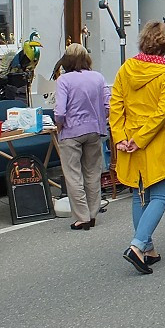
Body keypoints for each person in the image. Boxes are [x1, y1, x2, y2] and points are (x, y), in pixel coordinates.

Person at [109, 21, 165, 275]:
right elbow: (162, 113)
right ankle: (138, 246)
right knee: (160, 196)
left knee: (141, 196)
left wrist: (120, 137)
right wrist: (141, 139)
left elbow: (116, 104)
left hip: (128, 141)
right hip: (156, 142)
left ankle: (148, 248)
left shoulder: (127, 68)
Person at [54, 43, 107, 231]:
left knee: (73, 175)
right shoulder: (98, 77)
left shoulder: (64, 80)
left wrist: (59, 126)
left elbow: (60, 111)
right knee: (93, 173)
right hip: (94, 130)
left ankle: (81, 217)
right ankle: (92, 214)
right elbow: (107, 104)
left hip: (71, 132)